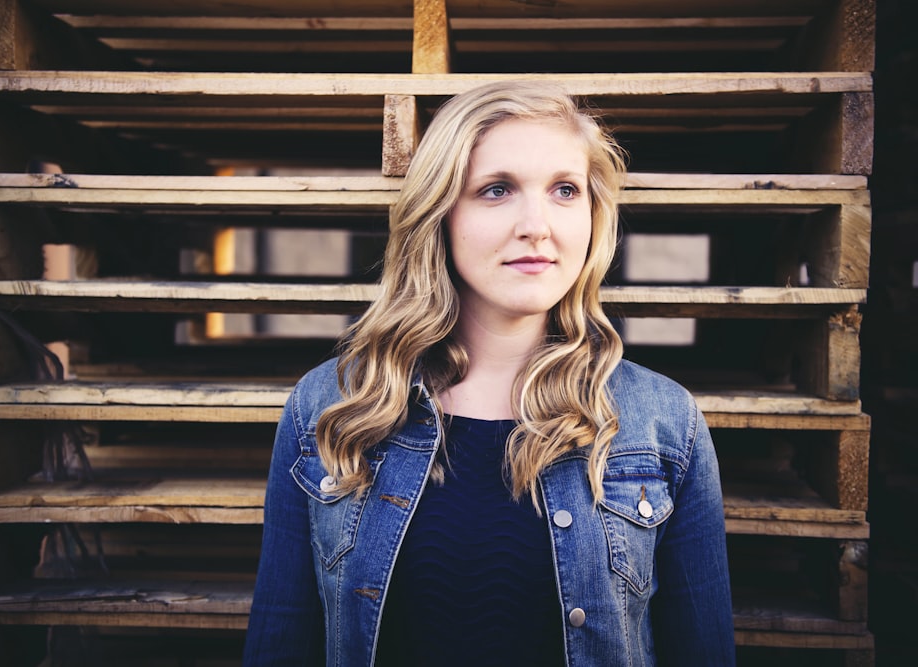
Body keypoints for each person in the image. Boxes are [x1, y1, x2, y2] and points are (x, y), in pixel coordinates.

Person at [242, 80, 735, 666]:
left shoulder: (663, 420)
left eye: (565, 190)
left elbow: (703, 650)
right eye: (497, 190)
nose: (537, 224)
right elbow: (282, 637)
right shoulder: (331, 404)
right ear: (440, 214)